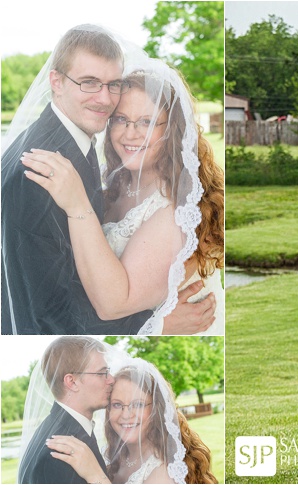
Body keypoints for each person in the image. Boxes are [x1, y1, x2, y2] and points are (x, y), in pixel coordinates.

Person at [1, 24, 215, 335]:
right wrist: (156, 325)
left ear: (171, 130)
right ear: (56, 82)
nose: (104, 99)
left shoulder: (80, 150)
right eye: (89, 83)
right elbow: (46, 312)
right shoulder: (43, 171)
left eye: (112, 84)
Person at [46, 364, 219, 484]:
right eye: (117, 405)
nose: (126, 415)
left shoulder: (164, 472)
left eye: (138, 404)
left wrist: (95, 475)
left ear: (157, 410)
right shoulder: (114, 457)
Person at [18, 337, 113, 484]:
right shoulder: (59, 455)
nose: (111, 379)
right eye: (102, 373)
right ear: (72, 382)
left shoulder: (61, 429)